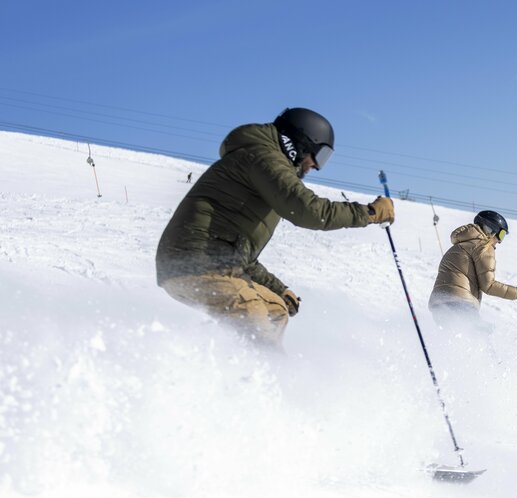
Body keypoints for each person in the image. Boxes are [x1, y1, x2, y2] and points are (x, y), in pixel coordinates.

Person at [155, 107, 394, 347]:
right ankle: (268, 376)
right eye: (319, 156)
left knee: (275, 309)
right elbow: (310, 211)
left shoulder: (261, 165)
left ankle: (243, 371)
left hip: (207, 262)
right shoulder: (264, 158)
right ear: (299, 143)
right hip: (194, 262)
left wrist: (278, 289)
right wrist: (370, 213)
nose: (316, 167)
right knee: (252, 314)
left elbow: (240, 253)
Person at [428, 210, 517, 325]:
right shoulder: (483, 247)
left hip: (438, 304)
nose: (499, 242)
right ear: (491, 230)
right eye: (501, 235)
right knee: (479, 336)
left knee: (454, 338)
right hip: (460, 303)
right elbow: (488, 286)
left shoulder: (459, 245)